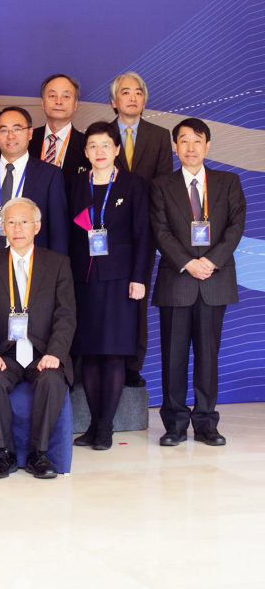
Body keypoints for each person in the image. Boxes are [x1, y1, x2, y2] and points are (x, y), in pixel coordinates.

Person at [151, 118, 245, 448]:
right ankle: (174, 423)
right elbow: (160, 231)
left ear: (208, 146)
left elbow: (235, 226)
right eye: (184, 141)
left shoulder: (227, 181)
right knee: (173, 357)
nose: (191, 147)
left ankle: (206, 422)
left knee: (208, 356)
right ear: (175, 147)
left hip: (214, 279)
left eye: (197, 141)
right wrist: (188, 262)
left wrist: (210, 261)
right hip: (178, 280)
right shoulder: (162, 185)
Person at [0, 197, 75, 479]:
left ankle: (38, 455)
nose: (18, 228)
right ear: (3, 227)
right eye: (11, 222)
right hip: (4, 352)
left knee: (53, 381)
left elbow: (65, 315)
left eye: (24, 222)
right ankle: (4, 453)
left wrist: (55, 353)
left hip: (43, 351)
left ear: (37, 227)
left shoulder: (57, 263)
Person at [67, 122, 149, 451]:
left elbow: (144, 234)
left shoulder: (133, 185)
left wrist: (139, 277)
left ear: (117, 149)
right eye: (93, 146)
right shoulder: (74, 184)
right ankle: (92, 424)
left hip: (119, 278)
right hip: (82, 277)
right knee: (88, 352)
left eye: (105, 146)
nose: (99, 152)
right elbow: (67, 231)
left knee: (113, 352)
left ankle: (105, 426)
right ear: (85, 152)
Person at [110, 71, 173, 388]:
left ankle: (133, 364)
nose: (132, 97)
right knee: (105, 296)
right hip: (104, 232)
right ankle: (105, 357)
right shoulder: (99, 135)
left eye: (138, 92)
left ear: (144, 100)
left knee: (137, 295)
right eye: (125, 92)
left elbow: (162, 188)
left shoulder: (160, 136)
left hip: (143, 231)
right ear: (113, 101)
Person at [0, 106, 69, 271]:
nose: (10, 136)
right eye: (3, 130)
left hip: (34, 267)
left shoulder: (50, 175)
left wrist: (56, 274)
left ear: (30, 133)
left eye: (17, 129)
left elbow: (58, 231)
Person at [30, 74, 90, 178]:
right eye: (52, 96)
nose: (58, 102)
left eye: (66, 96)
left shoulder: (87, 144)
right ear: (43, 103)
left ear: (75, 104)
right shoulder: (26, 139)